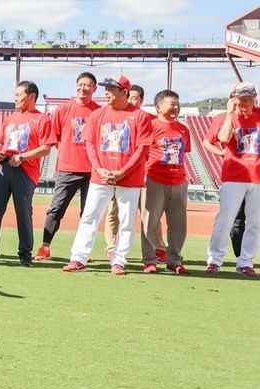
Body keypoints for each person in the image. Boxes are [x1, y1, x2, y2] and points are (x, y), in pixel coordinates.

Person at [63, 76, 153, 275]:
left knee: (126, 220)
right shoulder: (97, 115)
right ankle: (78, 257)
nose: (107, 92)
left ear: (125, 92)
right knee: (89, 216)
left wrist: (123, 171)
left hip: (129, 178)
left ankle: (119, 260)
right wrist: (98, 168)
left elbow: (141, 149)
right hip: (100, 176)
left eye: (112, 88)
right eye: (106, 88)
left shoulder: (140, 116)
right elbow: (90, 144)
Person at [0, 81, 52, 266]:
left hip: (25, 171)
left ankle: (25, 253)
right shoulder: (10, 118)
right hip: (4, 168)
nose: (15, 98)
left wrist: (22, 157)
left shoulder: (42, 119)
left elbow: (46, 148)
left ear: (32, 96)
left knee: (24, 213)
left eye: (19, 94)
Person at [35, 72, 101, 261]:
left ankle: (82, 252)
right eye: (80, 84)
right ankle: (45, 246)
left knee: (88, 213)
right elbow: (53, 137)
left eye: (87, 85)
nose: (83, 88)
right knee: (56, 208)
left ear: (94, 89)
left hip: (93, 171)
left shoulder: (98, 112)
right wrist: (67, 152)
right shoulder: (63, 110)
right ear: (75, 87)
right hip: (67, 169)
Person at [205, 82, 260, 277]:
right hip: (234, 175)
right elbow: (223, 137)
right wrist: (230, 113)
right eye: (241, 98)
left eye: (249, 98)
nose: (246, 102)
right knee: (225, 219)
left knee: (255, 222)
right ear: (233, 99)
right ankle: (214, 260)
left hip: (258, 177)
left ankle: (245, 261)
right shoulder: (223, 117)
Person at [141, 89, 191, 274]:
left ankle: (174, 260)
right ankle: (150, 260)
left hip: (178, 181)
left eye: (177, 104)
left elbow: (183, 154)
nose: (176, 107)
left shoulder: (183, 129)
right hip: (154, 180)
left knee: (178, 225)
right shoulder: (150, 126)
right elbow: (142, 153)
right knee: (150, 223)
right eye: (172, 103)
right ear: (158, 107)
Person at [104, 84, 148, 260]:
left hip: (142, 172)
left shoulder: (146, 118)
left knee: (146, 213)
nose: (131, 100)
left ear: (141, 100)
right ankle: (112, 247)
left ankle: (155, 248)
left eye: (135, 98)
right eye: (130, 97)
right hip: (117, 171)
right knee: (113, 212)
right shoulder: (114, 117)